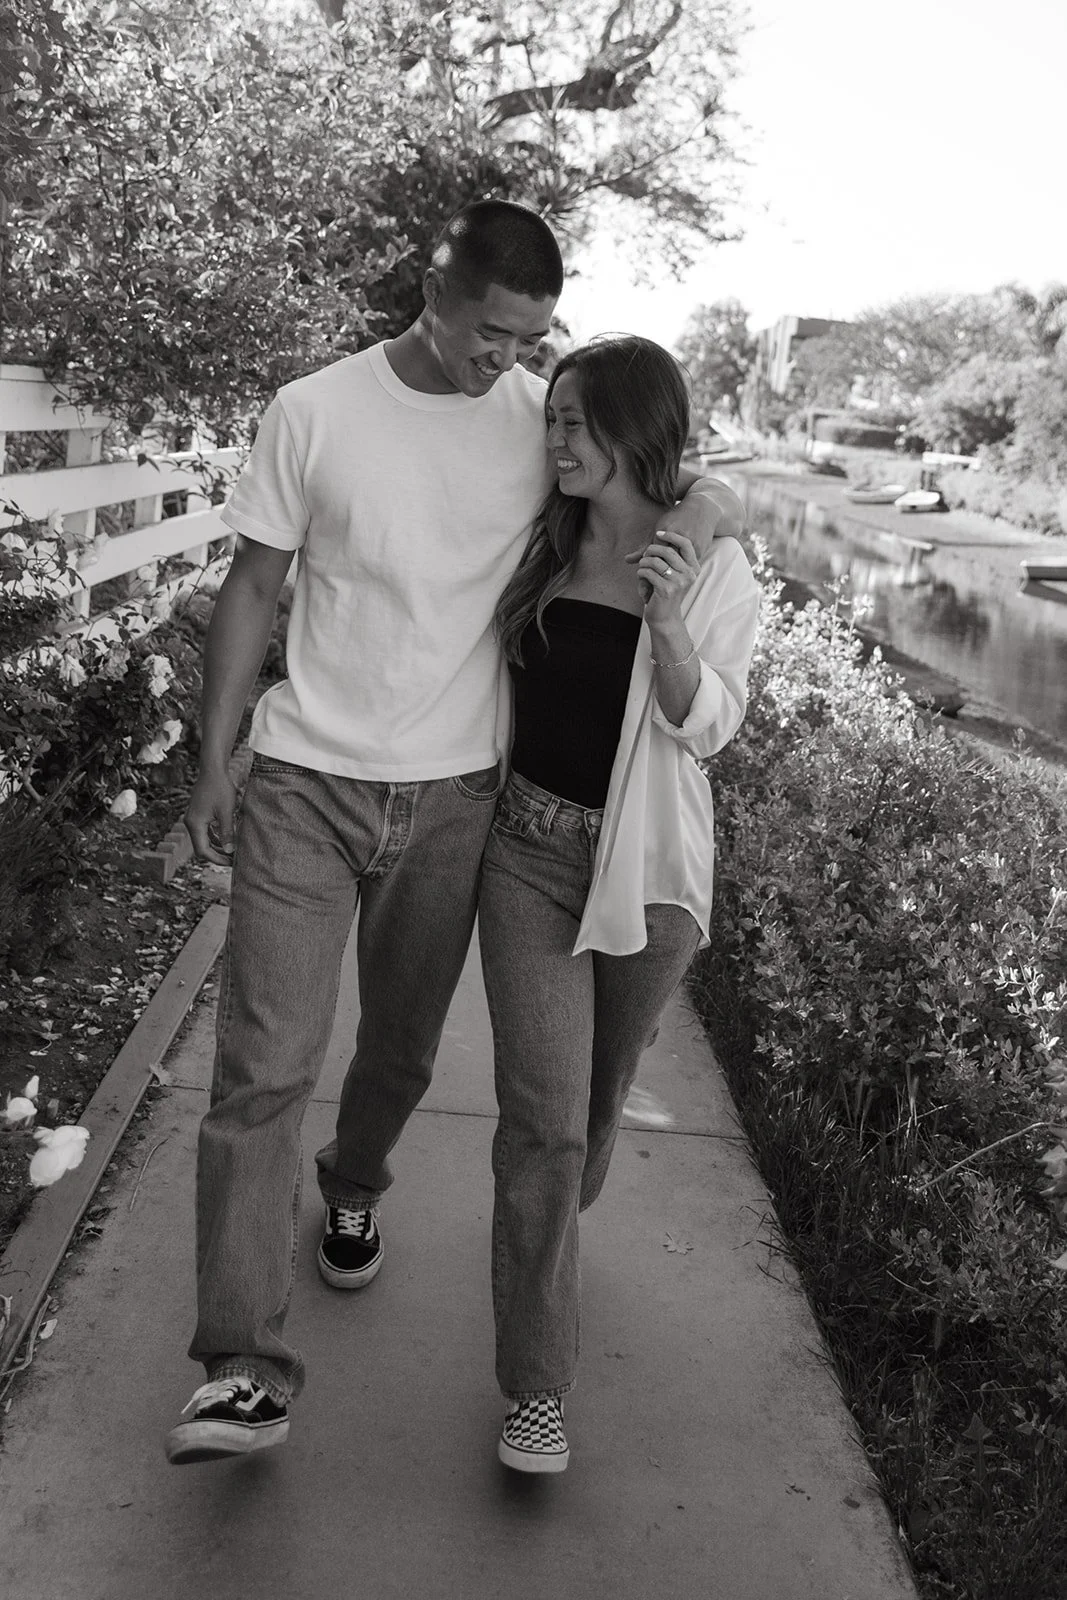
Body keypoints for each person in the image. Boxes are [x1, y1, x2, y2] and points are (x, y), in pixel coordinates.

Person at [164, 199, 746, 1466]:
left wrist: (694, 545)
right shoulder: (312, 409)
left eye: (529, 340)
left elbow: (687, 485)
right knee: (262, 1065)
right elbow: (253, 583)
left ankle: (355, 1187)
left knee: (401, 1055)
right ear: (437, 291)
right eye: (491, 334)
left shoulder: (539, 428)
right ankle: (241, 1368)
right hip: (307, 779)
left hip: (454, 804)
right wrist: (213, 761)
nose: (505, 363)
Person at [479, 335, 760, 1474]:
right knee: (541, 1124)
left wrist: (673, 625)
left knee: (590, 1117)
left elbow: (711, 728)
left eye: (578, 422)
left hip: (646, 876)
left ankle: (543, 1236)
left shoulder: (713, 565)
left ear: (639, 429)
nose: (555, 442)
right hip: (526, 859)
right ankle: (535, 1388)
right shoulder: (536, 540)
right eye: (550, 419)